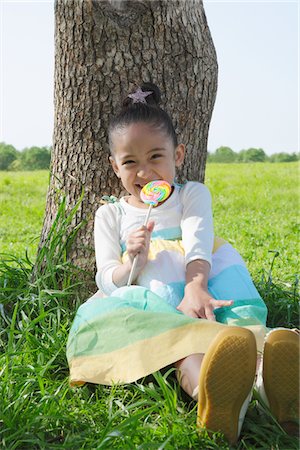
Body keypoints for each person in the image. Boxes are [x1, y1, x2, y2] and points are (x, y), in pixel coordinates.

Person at [67, 82, 299, 445]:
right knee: (180, 347)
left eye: (155, 157)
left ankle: (268, 390)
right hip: (150, 299)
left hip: (205, 281)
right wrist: (134, 260)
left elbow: (198, 241)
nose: (144, 172)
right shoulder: (109, 214)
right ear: (115, 166)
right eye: (130, 162)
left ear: (178, 155)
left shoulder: (192, 194)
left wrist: (195, 288)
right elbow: (108, 278)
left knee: (238, 331)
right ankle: (216, 401)